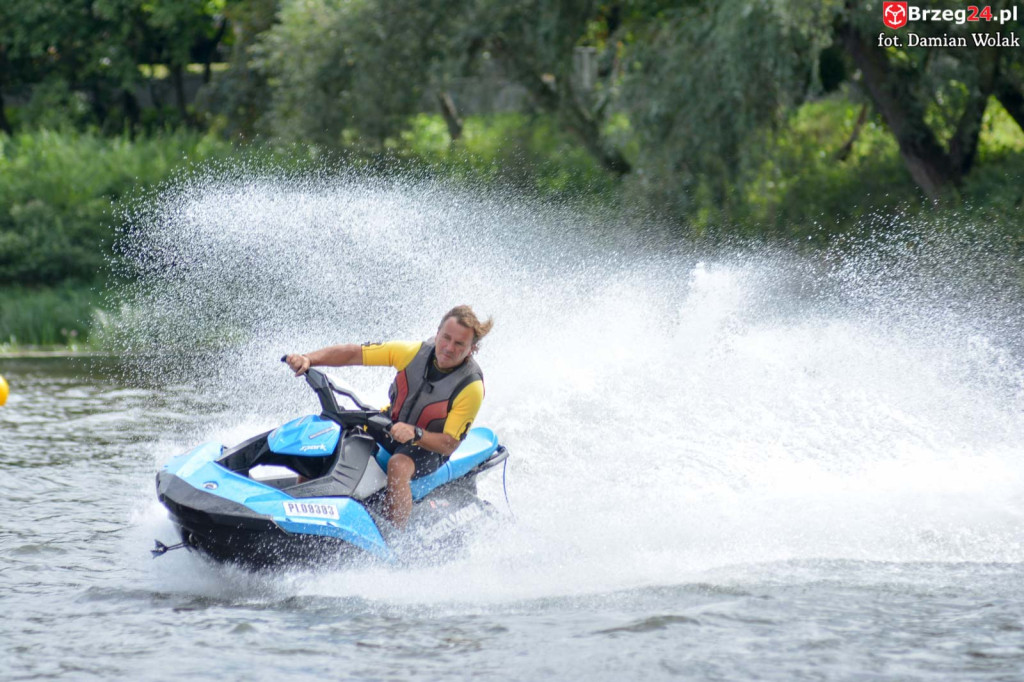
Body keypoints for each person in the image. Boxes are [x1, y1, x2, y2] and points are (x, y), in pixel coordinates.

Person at [284, 305, 493, 529]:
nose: (449, 348)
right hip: (391, 425)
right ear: (438, 332)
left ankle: (396, 536)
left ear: (472, 349)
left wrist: (416, 434)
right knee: (335, 434)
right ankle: (298, 506)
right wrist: (308, 359)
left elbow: (449, 444)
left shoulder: (471, 386)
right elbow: (354, 353)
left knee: (398, 465)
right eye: (446, 338)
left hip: (429, 447)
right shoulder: (412, 353)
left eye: (459, 344)